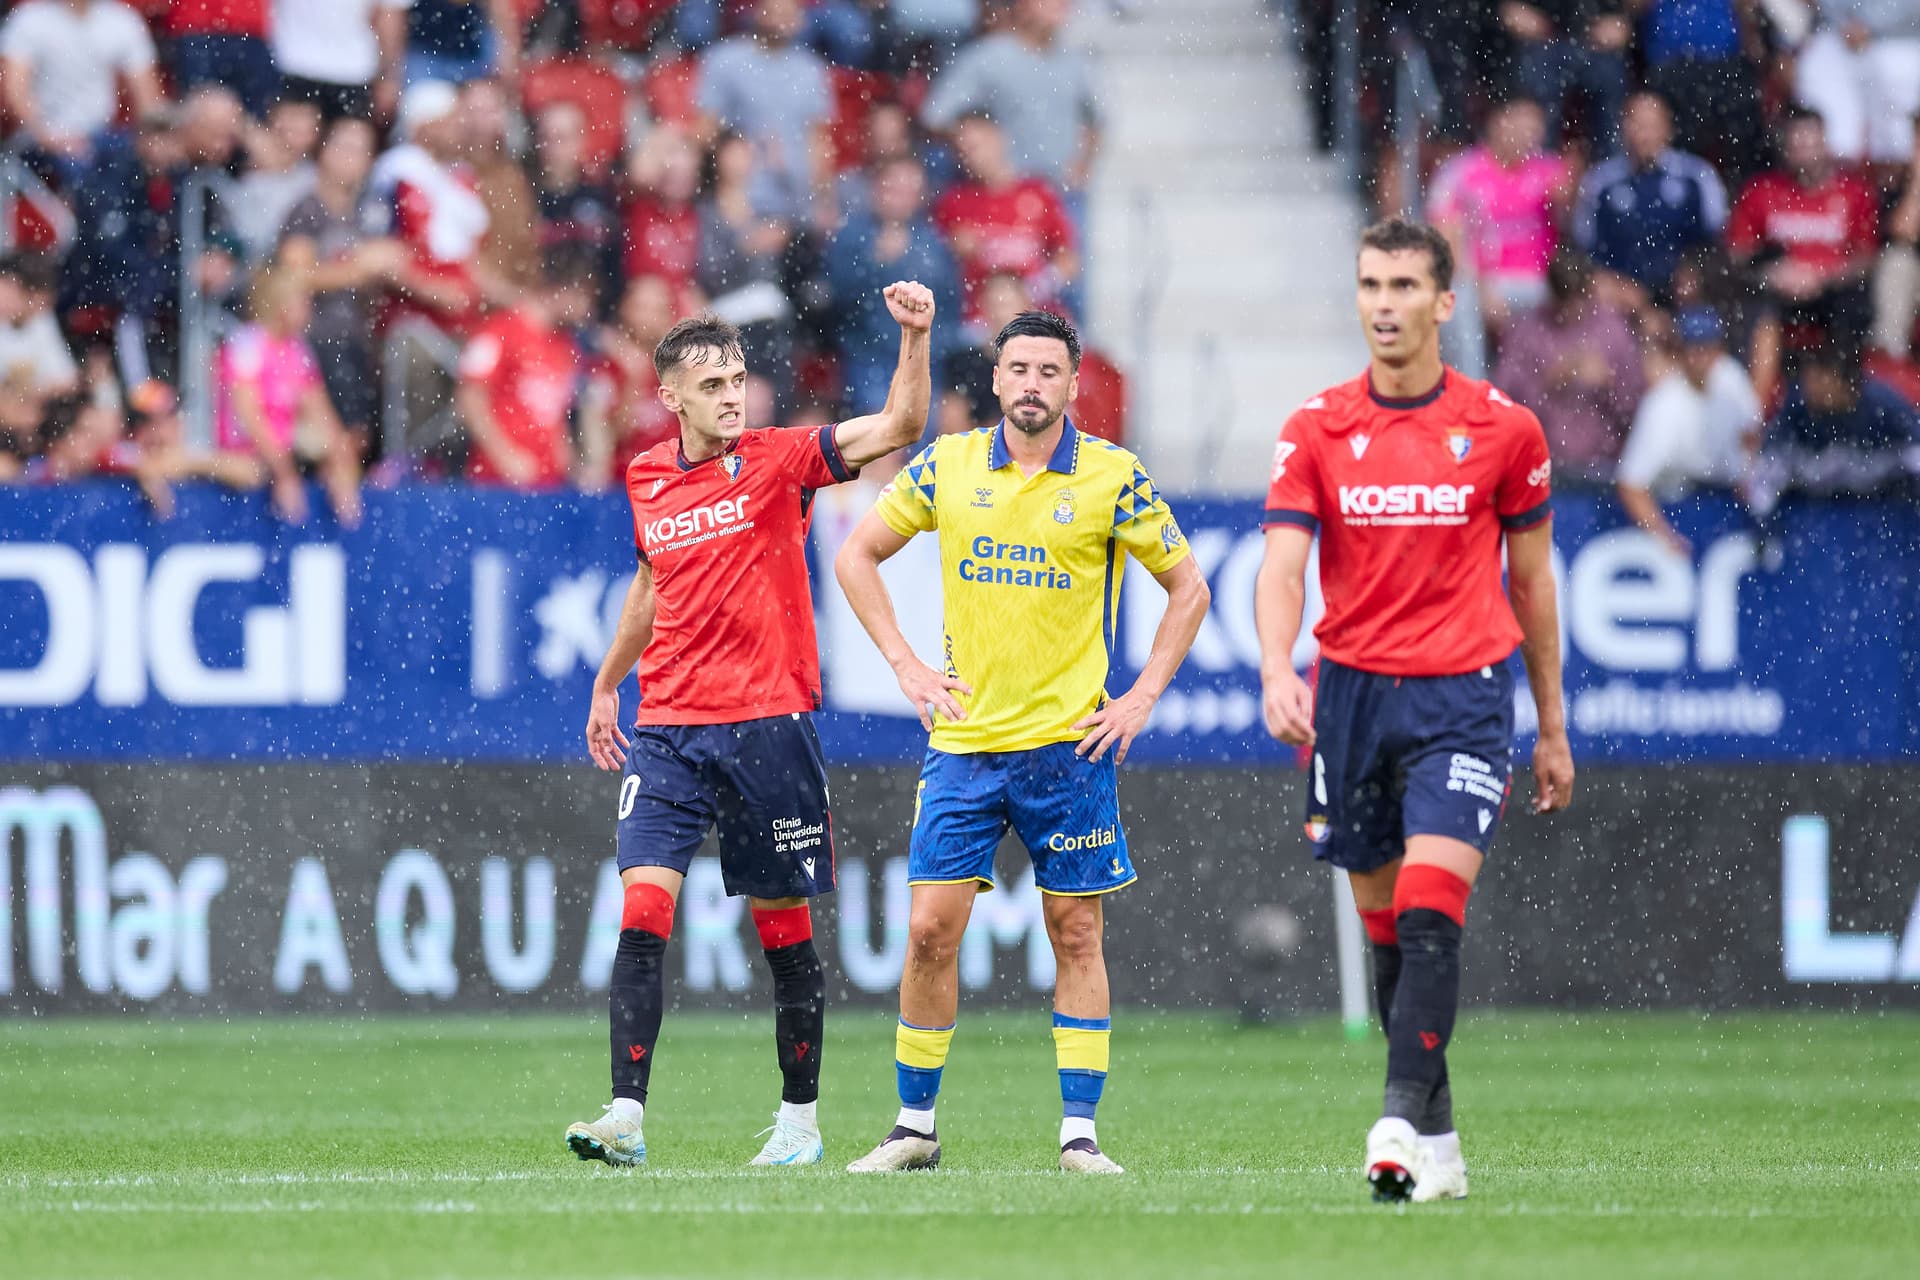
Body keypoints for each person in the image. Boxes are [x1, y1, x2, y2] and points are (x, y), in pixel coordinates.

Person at [564, 280, 938, 1169]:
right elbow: (652, 586)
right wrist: (608, 682)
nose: (734, 394)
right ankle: (626, 1115)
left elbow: (897, 427)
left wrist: (914, 338)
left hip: (770, 727)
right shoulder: (647, 476)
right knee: (643, 909)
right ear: (672, 397)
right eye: (714, 384)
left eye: (739, 378)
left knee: (785, 934)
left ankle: (800, 1126)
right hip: (668, 731)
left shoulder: (780, 459)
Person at [834, 309, 1210, 1176]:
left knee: (1075, 933)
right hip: (964, 744)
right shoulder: (949, 462)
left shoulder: (1114, 475)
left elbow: (1187, 589)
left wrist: (1142, 695)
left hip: (1068, 753)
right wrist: (906, 664)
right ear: (997, 382)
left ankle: (1079, 1135)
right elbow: (857, 556)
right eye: (1019, 370)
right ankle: (913, 1127)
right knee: (930, 930)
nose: (1033, 385)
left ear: (1075, 385)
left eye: (1050, 370)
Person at [1254, 217, 1574, 1204]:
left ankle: (1394, 1116)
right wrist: (1277, 666)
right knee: (1390, 932)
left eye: (1403, 285)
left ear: (1444, 301)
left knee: (1434, 911)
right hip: (1350, 699)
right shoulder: (1316, 426)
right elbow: (1282, 562)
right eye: (1370, 284)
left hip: (1462, 701)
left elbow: (1534, 585)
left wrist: (1553, 723)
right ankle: (1436, 1138)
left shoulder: (1504, 429)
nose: (1384, 303)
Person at [216, 269, 364, 526]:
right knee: (254, 472)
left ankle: (346, 529)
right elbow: (250, 417)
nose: (310, 309)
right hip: (250, 450)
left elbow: (320, 412)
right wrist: (284, 472)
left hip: (285, 447)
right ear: (282, 305)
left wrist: (341, 459)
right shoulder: (247, 344)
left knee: (342, 449)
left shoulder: (297, 348)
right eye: (303, 301)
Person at [1491, 248, 1644, 489]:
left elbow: (1634, 408)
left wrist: (1609, 384)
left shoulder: (1614, 331)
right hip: (1543, 468)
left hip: (1604, 470)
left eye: (1577, 302)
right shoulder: (1526, 331)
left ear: (1589, 294)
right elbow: (1502, 407)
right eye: (1563, 304)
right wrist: (1548, 384)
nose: (1570, 313)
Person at [1615, 307, 1762, 554]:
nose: (1700, 356)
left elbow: (1751, 433)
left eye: (1707, 347)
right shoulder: (1662, 405)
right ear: (1680, 352)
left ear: (1719, 350)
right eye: (1693, 347)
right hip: (1678, 509)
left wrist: (1746, 473)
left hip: (1728, 511)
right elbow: (1631, 484)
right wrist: (1664, 535)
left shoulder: (1732, 379)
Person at [1572, 90, 1728, 316]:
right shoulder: (1599, 181)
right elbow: (1586, 247)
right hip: (1620, 301)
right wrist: (1616, 286)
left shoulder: (1698, 176)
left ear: (1668, 127)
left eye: (1652, 124)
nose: (1643, 134)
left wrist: (1695, 274)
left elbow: (1715, 240)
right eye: (1636, 124)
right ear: (1622, 128)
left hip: (1687, 298)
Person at [453, 252, 595, 490]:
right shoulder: (500, 330)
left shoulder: (568, 346)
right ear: (558, 290)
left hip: (549, 485)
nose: (587, 309)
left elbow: (555, 419)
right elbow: (469, 399)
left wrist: (575, 472)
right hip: (497, 483)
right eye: (583, 297)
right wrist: (505, 457)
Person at [0, 0, 164, 179]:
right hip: (39, 142)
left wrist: (154, 140)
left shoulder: (122, 20)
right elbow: (15, 93)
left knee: (138, 159)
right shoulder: (29, 19)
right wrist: (48, 138)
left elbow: (149, 100)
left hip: (103, 138)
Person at [272, 0, 412, 122]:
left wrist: (388, 76)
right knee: (349, 146)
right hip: (349, 69)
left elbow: (390, 18)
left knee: (291, 143)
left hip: (296, 61)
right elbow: (390, 17)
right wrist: (389, 76)